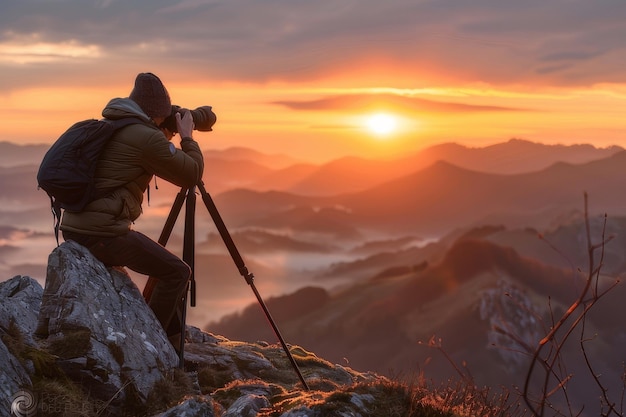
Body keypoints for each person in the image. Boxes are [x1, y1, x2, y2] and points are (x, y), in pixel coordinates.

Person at [60, 72, 204, 351]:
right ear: (158, 112)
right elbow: (191, 174)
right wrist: (187, 137)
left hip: (78, 225)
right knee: (177, 272)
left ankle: (166, 343)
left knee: (163, 266)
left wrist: (163, 132)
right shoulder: (145, 137)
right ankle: (158, 347)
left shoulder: (116, 124)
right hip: (102, 233)